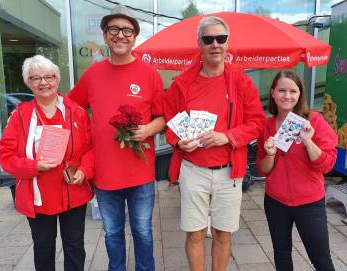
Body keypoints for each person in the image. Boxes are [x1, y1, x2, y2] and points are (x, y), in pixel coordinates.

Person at [68, 4, 165, 271]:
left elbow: (164, 117)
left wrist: (147, 130)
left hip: (140, 172)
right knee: (112, 234)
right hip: (105, 173)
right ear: (105, 35)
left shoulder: (149, 74)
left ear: (135, 36)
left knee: (143, 232)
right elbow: (70, 108)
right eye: (114, 29)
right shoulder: (93, 74)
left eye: (127, 30)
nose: (120, 35)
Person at [164, 16, 265, 271]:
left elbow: (257, 122)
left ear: (227, 43)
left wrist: (227, 136)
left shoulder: (241, 81)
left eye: (221, 39)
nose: (215, 44)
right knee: (195, 234)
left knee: (223, 234)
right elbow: (170, 124)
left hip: (229, 172)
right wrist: (178, 143)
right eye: (209, 39)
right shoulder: (182, 83)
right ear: (199, 43)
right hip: (193, 170)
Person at [0, 55, 94, 271]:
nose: (43, 83)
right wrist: (33, 166)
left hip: (73, 191)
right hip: (38, 195)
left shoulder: (76, 112)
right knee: (43, 248)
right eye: (35, 78)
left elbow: (90, 149)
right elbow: (5, 155)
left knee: (75, 246)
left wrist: (85, 170)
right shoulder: (19, 116)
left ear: (57, 79)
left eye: (49, 77)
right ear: (28, 83)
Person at [257, 71, 337, 271]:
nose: (287, 96)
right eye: (282, 90)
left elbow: (327, 165)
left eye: (293, 91)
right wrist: (270, 153)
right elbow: (264, 169)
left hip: (309, 203)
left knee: (321, 260)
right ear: (273, 93)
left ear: (300, 94)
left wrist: (308, 140)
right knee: (281, 254)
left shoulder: (315, 121)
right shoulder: (267, 125)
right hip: (275, 201)